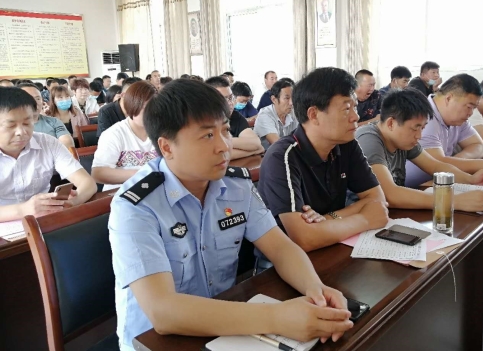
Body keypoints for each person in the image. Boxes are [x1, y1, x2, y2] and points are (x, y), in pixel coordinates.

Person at [109, 79, 354, 350]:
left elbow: (281, 248)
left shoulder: (236, 185)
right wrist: (277, 318)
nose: (224, 146)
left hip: (224, 324)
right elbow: (163, 312)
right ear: (167, 147)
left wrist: (316, 290)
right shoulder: (136, 206)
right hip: (156, 342)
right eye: (207, 135)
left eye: (225, 131)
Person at [257, 67, 388, 257]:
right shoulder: (282, 156)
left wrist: (327, 220)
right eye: (346, 109)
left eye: (355, 107)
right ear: (314, 114)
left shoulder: (346, 144)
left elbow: (377, 200)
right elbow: (303, 238)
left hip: (333, 244)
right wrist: (365, 219)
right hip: (282, 261)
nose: (356, 117)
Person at [356, 89, 483, 212]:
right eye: (415, 128)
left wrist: (471, 179)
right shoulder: (368, 139)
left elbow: (436, 166)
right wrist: (453, 201)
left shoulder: (403, 139)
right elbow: (389, 194)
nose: (419, 136)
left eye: (422, 128)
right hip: (362, 218)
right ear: (391, 123)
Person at [405, 74, 483, 188]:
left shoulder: (457, 119)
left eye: (474, 108)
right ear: (449, 98)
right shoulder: (425, 118)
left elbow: (479, 146)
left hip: (439, 183)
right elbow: (437, 164)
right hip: (414, 189)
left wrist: (456, 162)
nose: (471, 113)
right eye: (469, 107)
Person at [0, 88, 96, 222]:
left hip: (46, 223)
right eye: (10, 126)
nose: (21, 132)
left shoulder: (47, 143)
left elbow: (88, 183)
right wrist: (23, 210)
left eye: (27, 123)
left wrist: (72, 202)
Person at [92, 82, 159, 191]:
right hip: (121, 193)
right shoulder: (114, 134)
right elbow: (98, 173)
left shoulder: (163, 132)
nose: (151, 113)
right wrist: (143, 173)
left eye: (155, 107)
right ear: (131, 107)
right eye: (145, 108)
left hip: (156, 191)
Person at [205, 77, 264, 160]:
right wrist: (252, 151)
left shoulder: (235, 116)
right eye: (224, 99)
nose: (230, 103)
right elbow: (209, 156)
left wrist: (221, 143)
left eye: (230, 98)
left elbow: (256, 143)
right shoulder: (201, 121)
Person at [17, 83, 75, 149]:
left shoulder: (54, 122)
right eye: (28, 98)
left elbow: (67, 143)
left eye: (38, 98)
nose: (35, 103)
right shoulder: (11, 127)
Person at [254, 79, 298, 150]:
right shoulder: (265, 115)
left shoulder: (293, 112)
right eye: (287, 98)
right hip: (265, 155)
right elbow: (277, 144)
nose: (291, 103)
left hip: (286, 153)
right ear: (274, 99)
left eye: (293, 97)